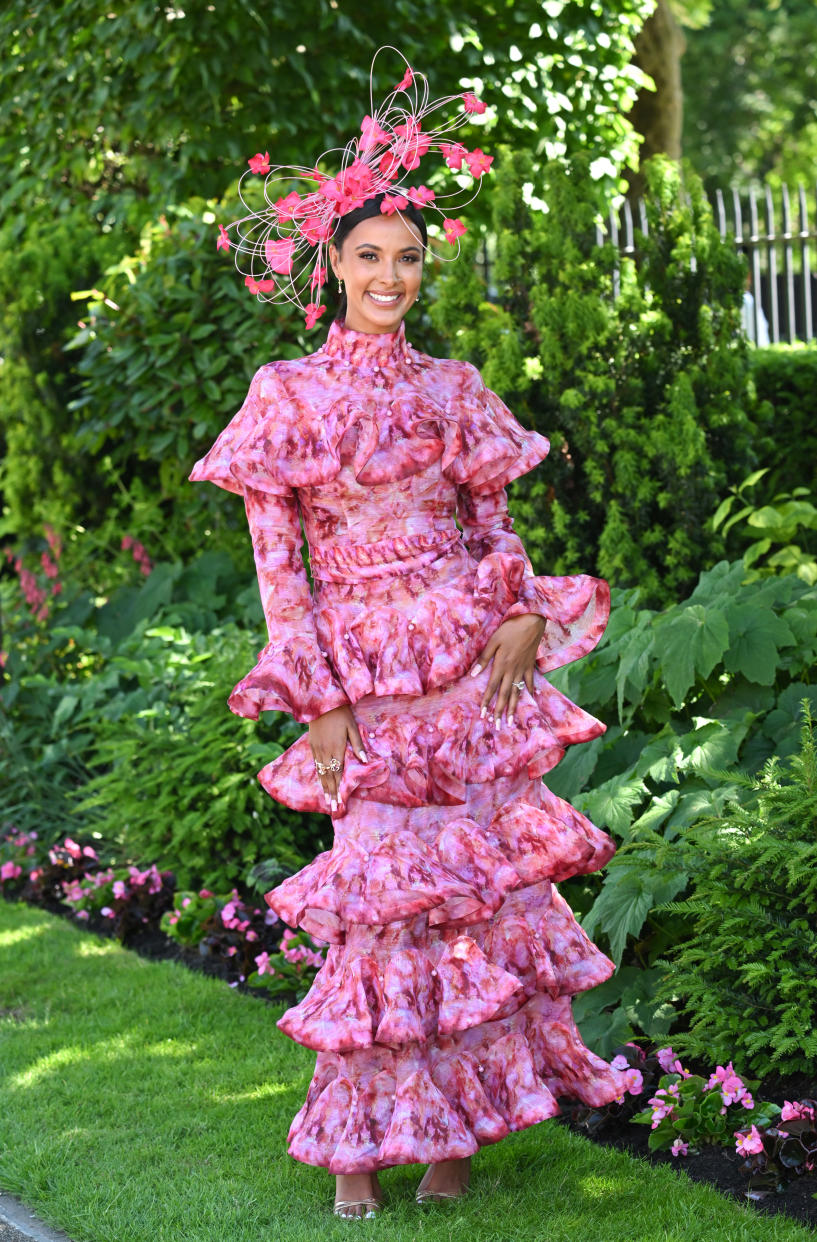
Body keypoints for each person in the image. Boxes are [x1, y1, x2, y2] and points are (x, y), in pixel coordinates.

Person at [189, 49, 630, 1220]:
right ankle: (354, 1154)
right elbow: (279, 568)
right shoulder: (284, 396)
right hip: (365, 688)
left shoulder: (453, 388)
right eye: (370, 257)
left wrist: (529, 614)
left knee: (475, 911)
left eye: (409, 259)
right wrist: (319, 701)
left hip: (470, 682)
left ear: (424, 269)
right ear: (329, 263)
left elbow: (496, 528)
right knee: (382, 897)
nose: (391, 276)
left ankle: (452, 1143)